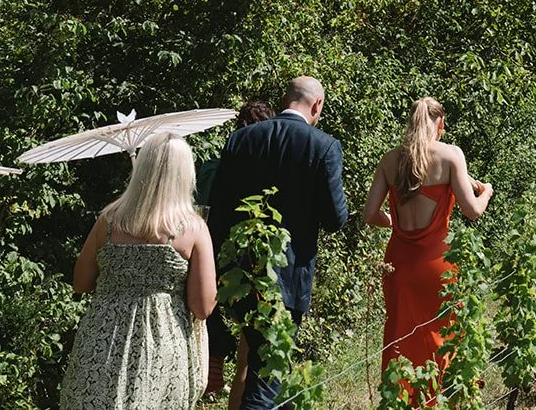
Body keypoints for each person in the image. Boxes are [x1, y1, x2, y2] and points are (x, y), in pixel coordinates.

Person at [207, 76, 348, 410]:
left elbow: (221, 210)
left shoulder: (241, 139)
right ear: (318, 105)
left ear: (285, 99)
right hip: (287, 278)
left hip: (240, 277)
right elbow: (334, 220)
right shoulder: (324, 146)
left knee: (257, 365)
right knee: (267, 377)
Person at [62, 132, 215, 410]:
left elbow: (81, 283)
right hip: (161, 346)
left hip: (102, 341)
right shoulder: (192, 228)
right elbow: (202, 306)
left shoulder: (108, 220)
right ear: (185, 175)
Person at [362, 98, 493, 377]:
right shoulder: (450, 155)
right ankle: (440, 398)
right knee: (443, 334)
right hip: (438, 263)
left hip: (398, 263)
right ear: (440, 124)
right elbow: (472, 211)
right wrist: (488, 193)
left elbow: (370, 214)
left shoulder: (390, 159)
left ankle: (400, 399)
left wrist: (395, 224)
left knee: (400, 333)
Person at [201, 100, 276, 399]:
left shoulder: (211, 166)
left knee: (206, 316)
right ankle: (216, 360)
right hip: (247, 261)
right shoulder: (261, 174)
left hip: (208, 250)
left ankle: (213, 358)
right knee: (249, 356)